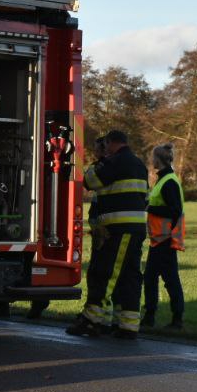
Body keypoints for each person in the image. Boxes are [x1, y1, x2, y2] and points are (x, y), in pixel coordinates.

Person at [66, 130, 148, 340]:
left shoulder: (114, 162)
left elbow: (89, 181)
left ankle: (90, 321)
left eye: (104, 145)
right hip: (134, 229)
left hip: (117, 230)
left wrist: (100, 159)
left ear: (110, 144)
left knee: (105, 274)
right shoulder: (138, 163)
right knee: (128, 276)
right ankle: (127, 325)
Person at [143, 143, 185, 329]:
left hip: (165, 238)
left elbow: (174, 210)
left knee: (170, 280)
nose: (151, 161)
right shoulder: (163, 180)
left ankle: (176, 318)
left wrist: (149, 207)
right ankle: (151, 316)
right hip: (158, 239)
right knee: (151, 278)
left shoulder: (168, 182)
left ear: (158, 159)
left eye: (153, 158)